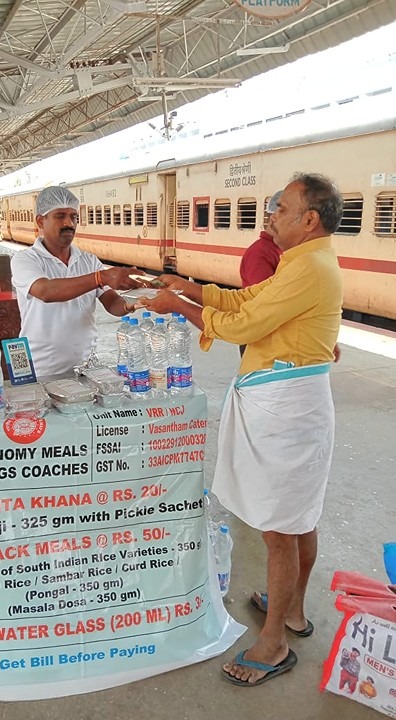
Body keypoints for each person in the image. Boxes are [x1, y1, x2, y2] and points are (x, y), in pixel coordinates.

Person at [137, 173, 344, 686]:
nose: (271, 215)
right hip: (283, 404)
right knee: (297, 518)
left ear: (309, 219)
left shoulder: (310, 267)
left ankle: (273, 643)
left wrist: (180, 307)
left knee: (280, 529)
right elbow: (249, 304)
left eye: (282, 207)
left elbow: (242, 327)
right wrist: (194, 288)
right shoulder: (300, 263)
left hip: (287, 411)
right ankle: (290, 610)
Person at [11, 186, 142, 378]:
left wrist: (136, 302)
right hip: (40, 370)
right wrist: (101, 277)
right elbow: (46, 292)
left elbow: (112, 302)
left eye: (73, 217)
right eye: (60, 216)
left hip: (86, 368)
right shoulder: (25, 259)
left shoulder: (88, 261)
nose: (68, 223)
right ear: (41, 221)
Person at [238, 191, 283, 355]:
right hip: (259, 339)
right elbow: (265, 301)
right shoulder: (260, 253)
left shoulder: (280, 250)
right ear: (274, 219)